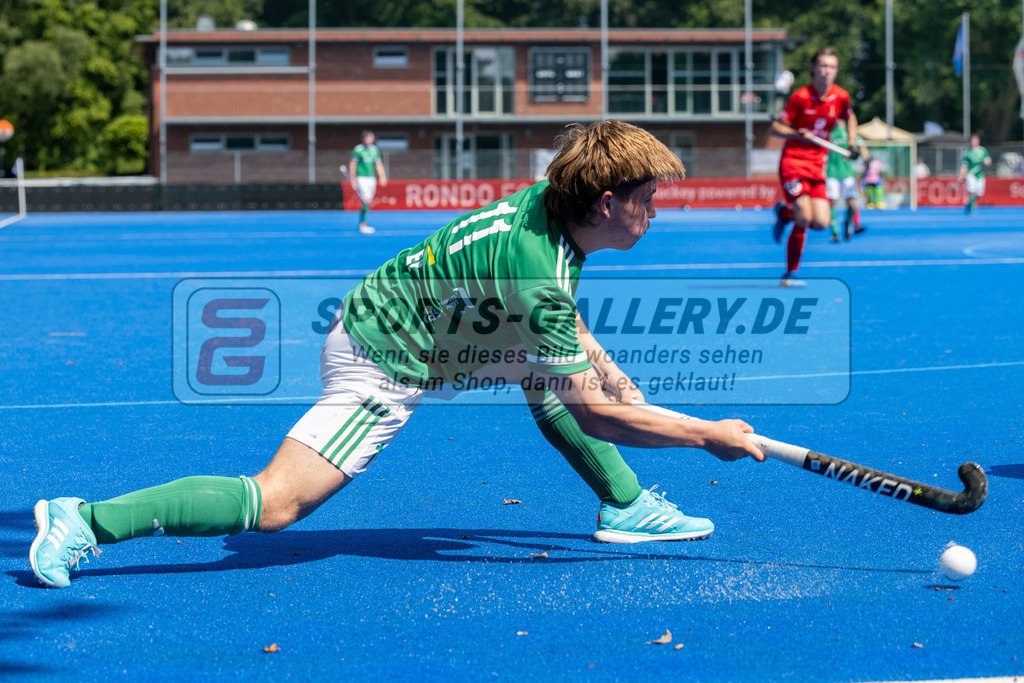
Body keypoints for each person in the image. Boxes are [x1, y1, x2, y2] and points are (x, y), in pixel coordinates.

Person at [30, 120, 765, 589]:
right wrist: (709, 435)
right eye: (646, 197)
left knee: (552, 371)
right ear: (605, 200)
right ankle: (85, 519)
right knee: (279, 501)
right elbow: (595, 413)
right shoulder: (536, 270)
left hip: (440, 325)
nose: (656, 210)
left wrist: (605, 365)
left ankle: (626, 504)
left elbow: (558, 322)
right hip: (385, 358)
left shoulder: (552, 208)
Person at [769, 47, 859, 286]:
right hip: (793, 163)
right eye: (823, 66)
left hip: (818, 165)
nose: (827, 71)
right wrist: (798, 134)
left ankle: (783, 213)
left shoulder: (840, 96)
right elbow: (776, 129)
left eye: (832, 67)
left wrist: (852, 142)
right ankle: (790, 274)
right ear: (813, 68)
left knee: (821, 223)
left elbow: (850, 117)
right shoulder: (800, 97)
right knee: (804, 216)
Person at [825, 122, 869, 241]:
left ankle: (848, 223)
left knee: (851, 202)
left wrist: (866, 160)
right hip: (832, 173)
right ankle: (834, 232)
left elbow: (862, 146)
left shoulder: (850, 132)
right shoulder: (829, 131)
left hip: (847, 173)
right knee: (832, 202)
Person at [347, 130, 388, 234]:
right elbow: (352, 165)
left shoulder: (375, 150)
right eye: (365, 138)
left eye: (369, 138)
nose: (367, 140)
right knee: (366, 200)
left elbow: (378, 164)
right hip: (361, 178)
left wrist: (382, 176)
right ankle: (362, 225)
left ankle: (362, 223)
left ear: (372, 139)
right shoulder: (358, 149)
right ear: (362, 139)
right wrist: (352, 179)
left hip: (371, 178)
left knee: (368, 202)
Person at [955, 134, 992, 215]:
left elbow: (988, 161)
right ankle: (971, 210)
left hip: (980, 175)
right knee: (972, 191)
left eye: (975, 140)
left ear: (978, 141)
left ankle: (969, 204)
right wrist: (961, 175)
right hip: (970, 174)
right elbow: (964, 166)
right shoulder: (967, 153)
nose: (973, 142)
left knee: (979, 193)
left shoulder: (983, 150)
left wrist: (986, 161)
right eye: (972, 140)